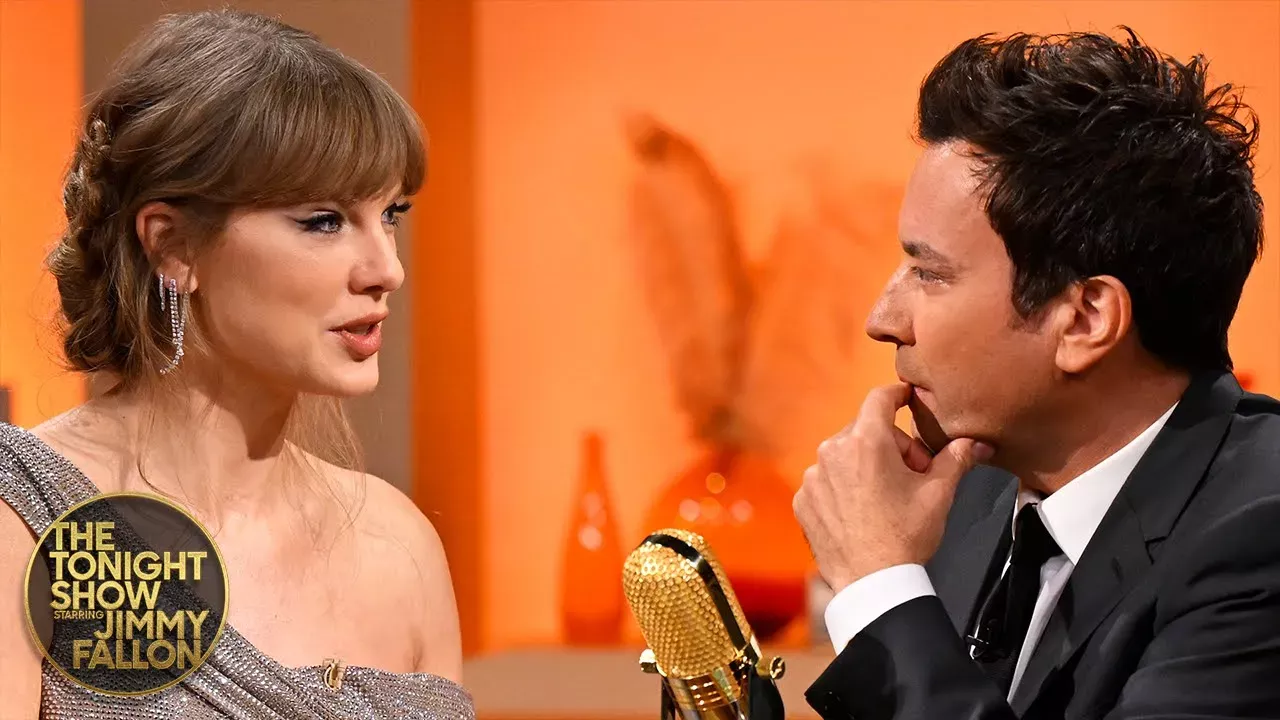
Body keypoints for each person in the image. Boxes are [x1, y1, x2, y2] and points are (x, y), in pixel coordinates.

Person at [0, 9, 474, 719]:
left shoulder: (399, 545)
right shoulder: (21, 517)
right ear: (173, 246)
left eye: (390, 216)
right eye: (323, 221)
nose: (386, 270)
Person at [794, 28, 1280, 719]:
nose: (882, 318)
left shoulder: (1260, 534)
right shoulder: (966, 497)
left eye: (930, 273)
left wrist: (879, 585)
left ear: (1084, 320)